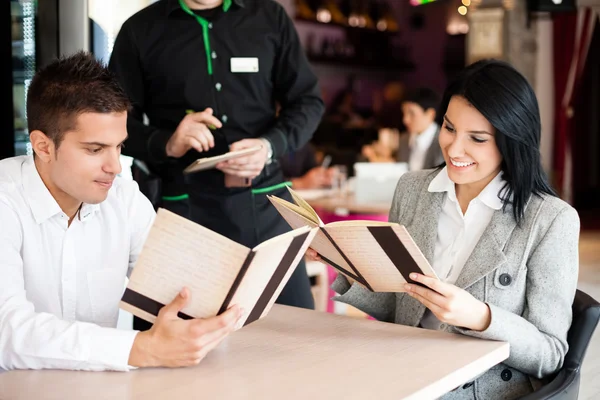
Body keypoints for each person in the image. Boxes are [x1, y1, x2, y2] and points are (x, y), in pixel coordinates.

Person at [308, 59, 580, 399]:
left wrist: (480, 317)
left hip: (481, 388)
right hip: (406, 373)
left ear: (513, 140)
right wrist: (343, 263)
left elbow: (551, 355)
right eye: (449, 128)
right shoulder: (412, 189)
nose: (453, 149)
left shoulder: (551, 219)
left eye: (477, 138)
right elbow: (397, 308)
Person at [0, 51, 242, 372]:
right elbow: (7, 333)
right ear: (43, 146)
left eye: (119, 147)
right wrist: (140, 348)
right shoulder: (6, 201)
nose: (114, 167)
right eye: (95, 149)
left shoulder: (124, 197)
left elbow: (180, 287)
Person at [108, 0, 324, 331]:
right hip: (183, 212)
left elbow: (308, 101)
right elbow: (114, 122)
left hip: (267, 207)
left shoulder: (268, 17)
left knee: (295, 333)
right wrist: (167, 141)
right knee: (173, 337)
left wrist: (269, 146)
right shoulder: (140, 30)